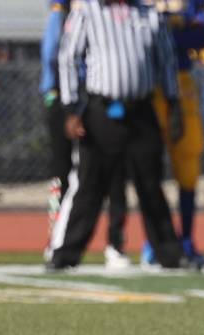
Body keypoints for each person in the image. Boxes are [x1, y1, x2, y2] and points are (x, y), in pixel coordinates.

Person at [49, 0, 184, 270]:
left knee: (150, 185)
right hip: (102, 110)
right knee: (90, 186)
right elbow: (67, 58)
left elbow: (166, 60)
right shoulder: (87, 11)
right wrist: (72, 108)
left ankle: (169, 254)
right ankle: (65, 255)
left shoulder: (149, 15)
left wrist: (173, 103)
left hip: (141, 109)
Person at [40, 0, 132, 270]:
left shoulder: (107, 13)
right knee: (64, 175)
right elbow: (55, 55)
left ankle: (115, 242)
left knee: (110, 176)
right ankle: (55, 236)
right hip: (67, 100)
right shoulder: (66, 13)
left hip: (95, 101)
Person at [144, 0, 204, 267]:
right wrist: (175, 29)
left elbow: (203, 35)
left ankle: (186, 240)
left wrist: (166, 31)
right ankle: (155, 240)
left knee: (188, 164)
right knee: (148, 166)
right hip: (150, 85)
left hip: (182, 83)